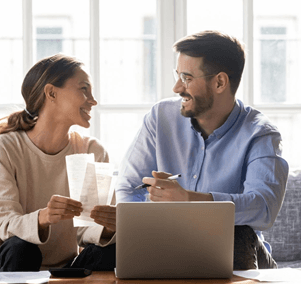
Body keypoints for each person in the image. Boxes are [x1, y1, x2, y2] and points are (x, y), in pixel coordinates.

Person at [115, 30, 289, 269]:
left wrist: (190, 200)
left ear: (219, 82)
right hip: (168, 242)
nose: (177, 88)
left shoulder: (260, 133)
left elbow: (263, 208)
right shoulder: (160, 117)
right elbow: (129, 187)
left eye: (186, 78)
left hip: (238, 250)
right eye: (178, 76)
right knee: (98, 254)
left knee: (239, 236)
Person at [0, 54, 116, 272]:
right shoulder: (5, 147)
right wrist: (43, 217)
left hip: (64, 270)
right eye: (84, 89)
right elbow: (2, 226)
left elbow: (87, 231)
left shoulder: (92, 151)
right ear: (51, 93)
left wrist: (109, 228)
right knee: (22, 249)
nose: (93, 100)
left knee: (112, 249)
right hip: (7, 267)